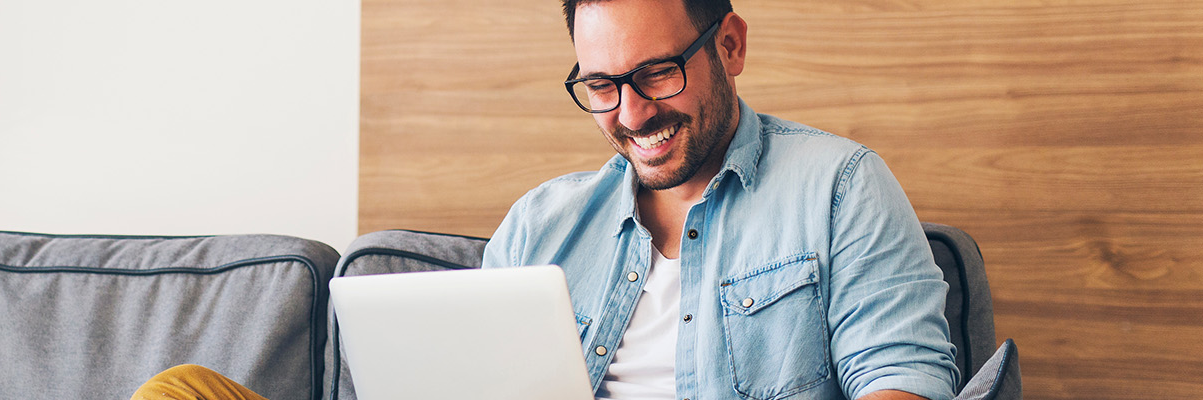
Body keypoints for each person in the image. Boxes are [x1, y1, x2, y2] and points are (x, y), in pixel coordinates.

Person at [135, 0, 958, 399]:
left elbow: (905, 379)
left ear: (729, 46)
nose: (631, 115)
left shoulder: (839, 187)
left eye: (655, 75)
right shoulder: (543, 221)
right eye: (601, 86)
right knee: (180, 393)